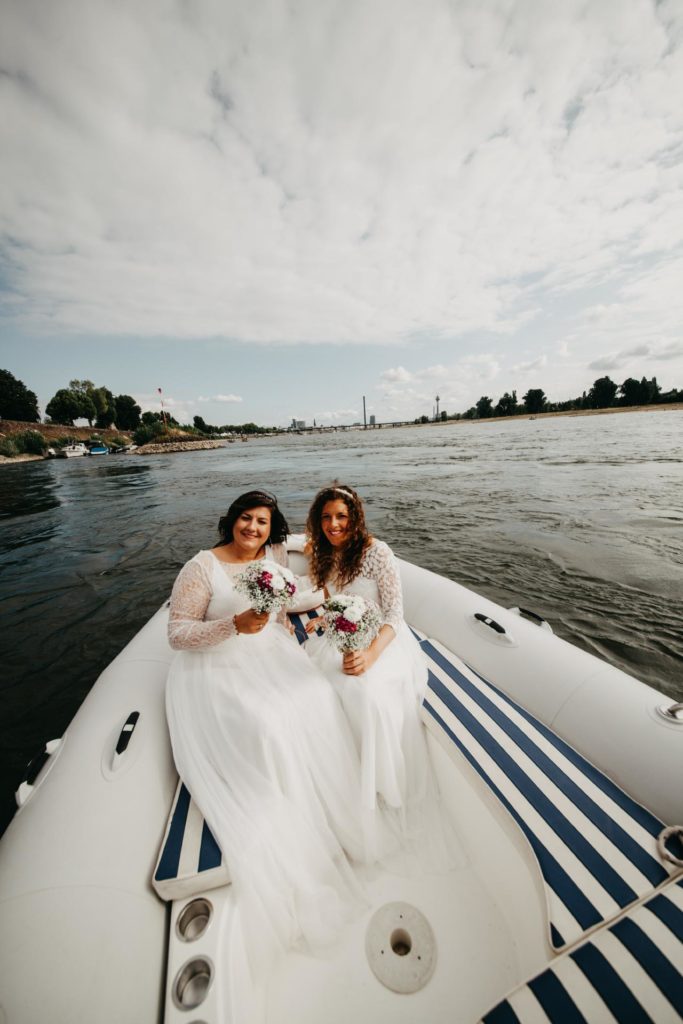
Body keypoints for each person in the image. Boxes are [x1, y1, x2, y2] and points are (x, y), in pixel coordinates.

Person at [165, 490, 367, 978]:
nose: (252, 528)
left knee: (317, 697)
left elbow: (289, 601)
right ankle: (290, 828)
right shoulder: (201, 567)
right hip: (216, 665)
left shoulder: (273, 559)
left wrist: (331, 589)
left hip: (270, 654)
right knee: (268, 725)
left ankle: (327, 816)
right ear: (231, 520)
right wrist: (233, 625)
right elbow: (177, 633)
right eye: (246, 518)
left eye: (262, 522)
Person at [303, 483, 459, 870]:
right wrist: (324, 621)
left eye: (341, 516)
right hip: (343, 635)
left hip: (383, 641)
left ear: (355, 517)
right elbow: (333, 600)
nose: (333, 525)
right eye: (326, 517)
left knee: (363, 694)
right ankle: (337, 778)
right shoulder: (322, 553)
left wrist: (371, 654)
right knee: (314, 686)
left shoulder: (377, 553)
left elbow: (394, 614)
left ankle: (379, 788)